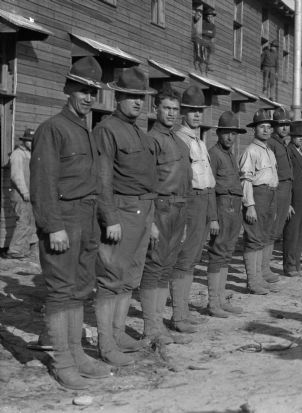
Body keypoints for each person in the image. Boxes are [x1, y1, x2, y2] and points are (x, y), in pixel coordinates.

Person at [30, 56, 110, 389]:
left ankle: (77, 354)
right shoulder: (53, 128)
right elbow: (43, 182)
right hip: (63, 219)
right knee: (61, 291)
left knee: (79, 288)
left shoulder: (86, 132)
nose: (88, 98)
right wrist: (53, 226)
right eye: (82, 90)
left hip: (87, 218)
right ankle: (62, 362)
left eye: (93, 92)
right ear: (68, 89)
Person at [94, 67, 158, 366]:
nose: (137, 102)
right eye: (131, 96)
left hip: (143, 211)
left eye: (141, 97)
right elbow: (102, 179)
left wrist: (151, 218)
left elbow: (146, 179)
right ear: (118, 96)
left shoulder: (139, 133)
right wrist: (110, 217)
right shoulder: (107, 129)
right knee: (111, 277)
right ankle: (106, 345)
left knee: (130, 277)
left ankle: (118, 334)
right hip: (121, 210)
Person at [140, 85, 192, 345]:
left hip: (178, 209)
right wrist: (150, 222)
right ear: (155, 109)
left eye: (175, 109)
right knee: (153, 267)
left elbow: (187, 181)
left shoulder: (180, 142)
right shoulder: (151, 140)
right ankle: (150, 328)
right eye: (167, 108)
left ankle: (159, 325)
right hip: (160, 208)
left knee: (166, 268)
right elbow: (145, 183)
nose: (171, 113)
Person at [171, 85, 218, 325]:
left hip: (203, 201)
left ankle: (184, 311)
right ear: (183, 113)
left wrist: (211, 213)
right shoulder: (179, 139)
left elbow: (208, 180)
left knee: (193, 257)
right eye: (191, 111)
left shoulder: (199, 141)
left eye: (199, 111)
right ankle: (178, 314)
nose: (196, 115)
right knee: (184, 257)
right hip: (189, 203)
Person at [206, 112, 246, 315]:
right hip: (221, 207)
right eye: (226, 133)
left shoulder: (231, 155)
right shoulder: (213, 154)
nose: (230, 137)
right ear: (219, 133)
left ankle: (221, 299)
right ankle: (213, 303)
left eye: (233, 133)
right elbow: (210, 188)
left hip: (234, 208)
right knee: (217, 252)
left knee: (227, 253)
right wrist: (212, 217)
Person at [239, 109, 279, 294]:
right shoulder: (251, 151)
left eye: (269, 127)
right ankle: (252, 281)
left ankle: (259, 277)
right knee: (253, 238)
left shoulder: (269, 151)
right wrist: (250, 205)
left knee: (263, 238)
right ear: (254, 129)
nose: (266, 130)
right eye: (262, 127)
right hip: (257, 195)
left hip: (270, 195)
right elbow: (245, 180)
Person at [264, 107, 293, 283]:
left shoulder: (284, 144)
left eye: (286, 125)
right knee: (270, 230)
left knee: (276, 232)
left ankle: (265, 268)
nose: (284, 128)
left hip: (286, 191)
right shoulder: (272, 144)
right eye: (280, 125)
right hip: (277, 189)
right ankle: (264, 269)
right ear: (274, 126)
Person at [282, 120, 302, 277]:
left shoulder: (300, 151)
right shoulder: (289, 151)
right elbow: (288, 179)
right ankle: (289, 266)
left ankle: (296, 264)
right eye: (297, 136)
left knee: (300, 233)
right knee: (291, 233)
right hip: (293, 199)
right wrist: (288, 203)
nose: (301, 138)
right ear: (291, 136)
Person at [6, 128, 36, 259]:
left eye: (32, 141)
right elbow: (16, 176)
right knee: (23, 221)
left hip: (28, 193)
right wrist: (25, 192)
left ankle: (24, 249)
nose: (31, 143)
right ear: (24, 141)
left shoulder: (30, 154)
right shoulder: (18, 154)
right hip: (20, 194)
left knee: (29, 221)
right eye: (28, 141)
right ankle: (15, 251)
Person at [192, 6, 216, 74]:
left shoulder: (213, 26)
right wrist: (208, 32)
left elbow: (213, 35)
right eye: (208, 16)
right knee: (202, 44)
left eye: (211, 17)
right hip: (202, 39)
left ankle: (209, 65)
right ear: (206, 17)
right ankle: (198, 61)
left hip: (209, 41)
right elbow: (200, 31)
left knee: (212, 47)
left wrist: (206, 32)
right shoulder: (203, 23)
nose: (210, 18)